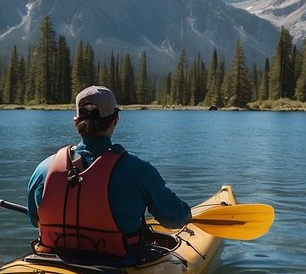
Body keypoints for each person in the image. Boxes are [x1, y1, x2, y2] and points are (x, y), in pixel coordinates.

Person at [28, 85, 191, 264]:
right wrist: (187, 214)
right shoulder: (138, 170)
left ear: (76, 121)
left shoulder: (44, 169)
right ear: (115, 119)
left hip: (53, 260)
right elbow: (174, 219)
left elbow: (34, 219)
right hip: (117, 266)